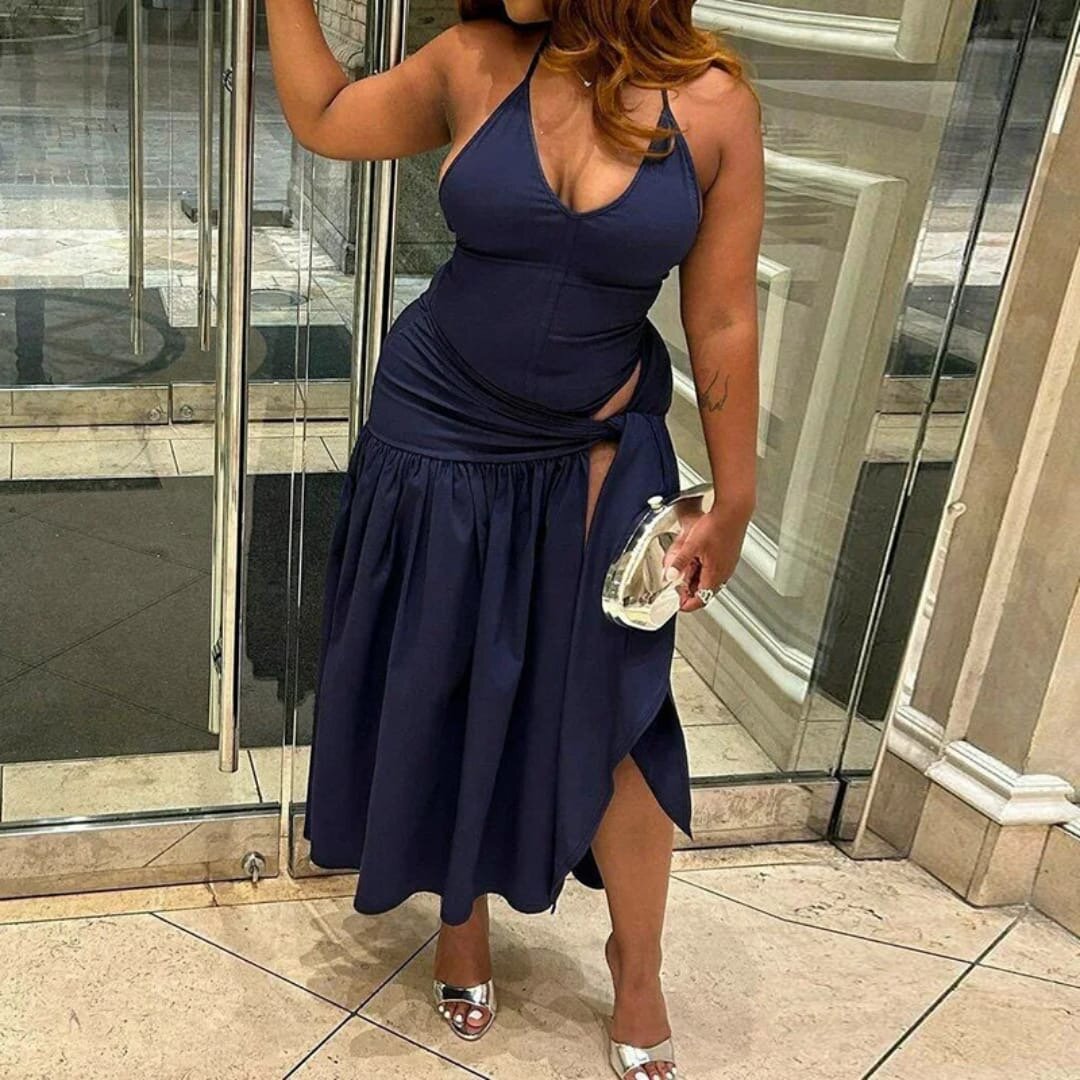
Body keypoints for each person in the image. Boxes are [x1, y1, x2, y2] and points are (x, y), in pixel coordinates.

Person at [265, 0, 762, 1075]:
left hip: (598, 447)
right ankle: (462, 918)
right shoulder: (474, 58)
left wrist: (737, 494)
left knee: (622, 712)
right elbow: (325, 116)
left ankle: (638, 964)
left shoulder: (716, 103)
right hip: (435, 427)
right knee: (446, 678)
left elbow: (723, 314)